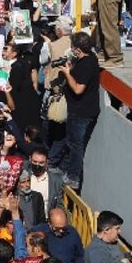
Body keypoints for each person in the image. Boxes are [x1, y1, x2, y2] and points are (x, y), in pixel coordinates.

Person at [49, 32, 99, 189]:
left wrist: (67, 73)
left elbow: (78, 89)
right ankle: (66, 169)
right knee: (71, 142)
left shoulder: (85, 65)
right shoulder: (91, 58)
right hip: (85, 110)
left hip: (80, 112)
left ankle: (73, 177)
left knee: (75, 145)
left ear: (77, 49)